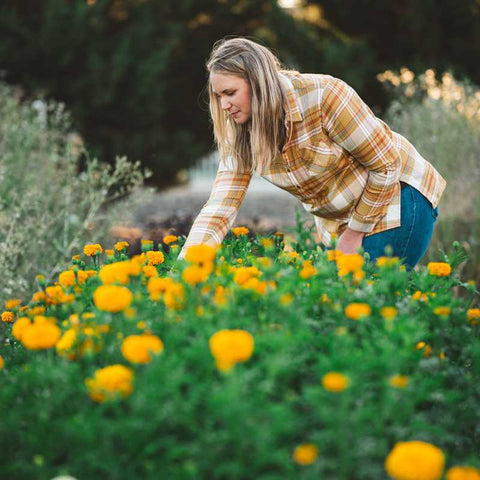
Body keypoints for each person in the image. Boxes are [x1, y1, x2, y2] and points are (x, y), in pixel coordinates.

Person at [178, 37, 446, 269]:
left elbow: (387, 165)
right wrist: (185, 270)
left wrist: (354, 233)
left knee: (372, 303)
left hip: (396, 199)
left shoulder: (324, 96)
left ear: (258, 83)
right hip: (344, 223)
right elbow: (219, 208)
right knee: (348, 311)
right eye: (218, 96)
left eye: (230, 93)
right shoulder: (242, 133)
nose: (224, 105)